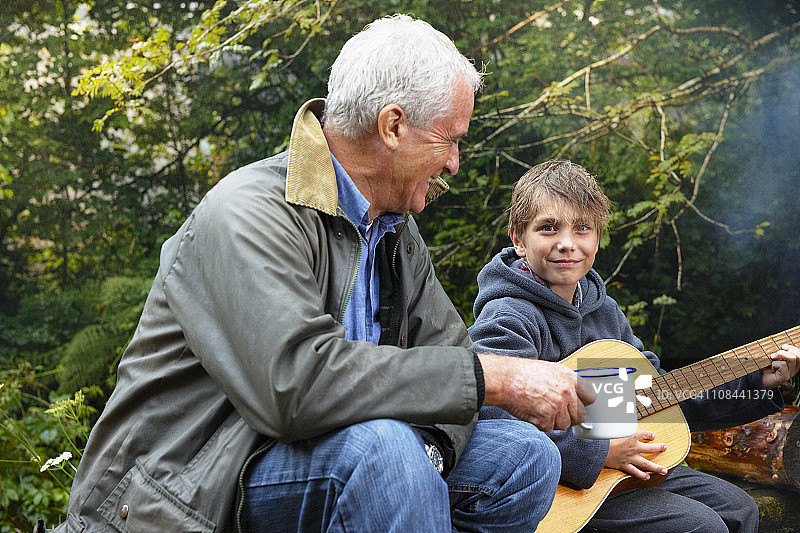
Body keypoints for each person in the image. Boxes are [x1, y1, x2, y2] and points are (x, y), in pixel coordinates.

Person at [48, 16, 597, 533]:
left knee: (522, 460)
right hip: (196, 484)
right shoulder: (246, 213)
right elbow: (296, 386)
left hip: (333, 454)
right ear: (393, 126)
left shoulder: (396, 231)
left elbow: (447, 356)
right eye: (449, 138)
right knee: (384, 453)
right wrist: (494, 380)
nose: (454, 161)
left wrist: (426, 449)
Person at [468, 159, 800, 533]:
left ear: (597, 237)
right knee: (700, 526)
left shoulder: (605, 313)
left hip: (619, 474)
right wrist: (600, 452)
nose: (566, 244)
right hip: (561, 485)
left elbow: (659, 397)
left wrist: (758, 382)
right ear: (517, 237)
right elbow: (491, 411)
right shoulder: (509, 315)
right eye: (547, 228)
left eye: (582, 229)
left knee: (739, 510)